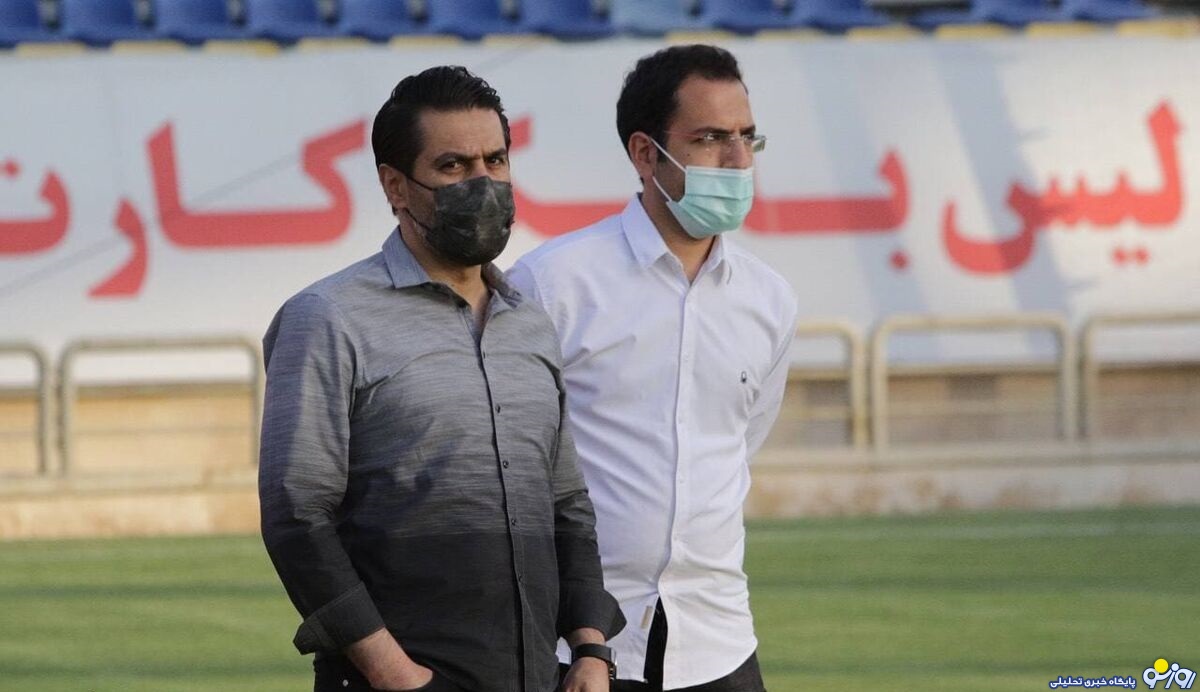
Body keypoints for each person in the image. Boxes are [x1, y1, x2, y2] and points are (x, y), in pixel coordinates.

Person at [258, 65, 624, 692]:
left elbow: (566, 504)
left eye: (495, 161)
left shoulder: (530, 324)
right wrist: (395, 674)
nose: (483, 184)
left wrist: (590, 647)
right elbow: (298, 515)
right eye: (453, 166)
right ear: (395, 185)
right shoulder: (328, 318)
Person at [507, 45, 798, 692]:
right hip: (577, 647)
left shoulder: (770, 300)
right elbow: (511, 460)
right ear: (645, 153)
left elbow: (740, 440)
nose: (738, 160)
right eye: (710, 139)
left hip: (719, 642)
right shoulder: (553, 284)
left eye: (748, 137)